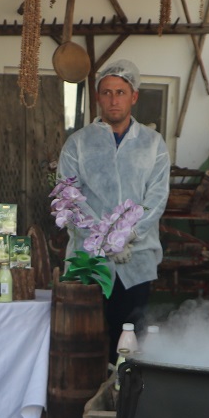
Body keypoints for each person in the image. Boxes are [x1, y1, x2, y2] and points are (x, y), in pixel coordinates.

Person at [56, 60, 170, 349]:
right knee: (85, 341)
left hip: (136, 259)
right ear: (97, 98)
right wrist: (105, 239)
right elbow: (69, 196)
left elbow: (156, 197)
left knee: (129, 339)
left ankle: (124, 391)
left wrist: (129, 233)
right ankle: (90, 394)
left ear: (134, 96)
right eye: (106, 92)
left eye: (120, 92)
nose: (113, 99)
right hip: (89, 261)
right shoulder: (78, 144)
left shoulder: (153, 143)